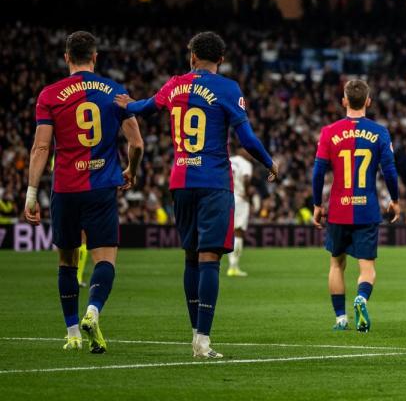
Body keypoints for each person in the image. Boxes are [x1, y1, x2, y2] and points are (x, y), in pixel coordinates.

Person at [116, 31, 279, 358]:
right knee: (209, 259)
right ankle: (202, 340)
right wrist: (268, 161)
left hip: (181, 180)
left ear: (192, 57)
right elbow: (245, 136)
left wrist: (123, 103)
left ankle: (195, 334)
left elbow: (144, 108)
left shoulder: (175, 84)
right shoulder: (228, 88)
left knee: (190, 256)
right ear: (220, 59)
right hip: (214, 181)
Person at [24, 31, 144, 353]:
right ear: (94, 57)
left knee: (66, 261)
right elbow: (136, 143)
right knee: (105, 258)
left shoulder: (49, 95)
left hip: (64, 189)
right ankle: (93, 311)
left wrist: (31, 195)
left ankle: (73, 333)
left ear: (66, 58)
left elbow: (40, 147)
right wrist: (131, 169)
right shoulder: (115, 92)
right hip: (101, 187)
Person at [311, 79, 400, 332]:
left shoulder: (329, 131)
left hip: (338, 208)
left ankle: (341, 318)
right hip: (367, 208)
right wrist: (395, 200)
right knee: (367, 267)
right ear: (368, 102)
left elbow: (318, 173)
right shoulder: (380, 132)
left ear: (344, 101)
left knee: (336, 263)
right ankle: (361, 298)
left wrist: (317, 204)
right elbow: (390, 171)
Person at [227, 150, 256, 277]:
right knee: (238, 232)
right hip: (239, 198)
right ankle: (233, 266)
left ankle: (231, 265)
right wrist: (247, 192)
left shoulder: (229, 160)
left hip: (225, 196)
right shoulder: (246, 163)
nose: (251, 154)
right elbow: (246, 178)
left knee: (229, 231)